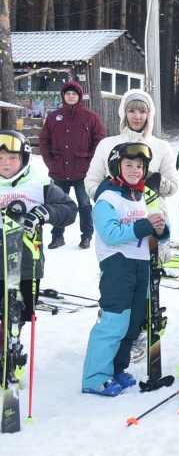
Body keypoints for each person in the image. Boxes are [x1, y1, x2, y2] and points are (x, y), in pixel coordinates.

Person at [81, 143, 169, 396]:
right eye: (129, 165)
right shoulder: (106, 198)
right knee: (114, 322)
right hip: (117, 265)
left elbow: (150, 233)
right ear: (116, 167)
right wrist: (144, 226)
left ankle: (117, 369)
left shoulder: (139, 196)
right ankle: (95, 376)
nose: (135, 170)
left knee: (132, 324)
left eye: (139, 166)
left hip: (140, 265)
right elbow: (109, 234)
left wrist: (160, 231)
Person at [0, 131, 77, 328]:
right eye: (0, 158)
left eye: (12, 158)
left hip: (27, 268)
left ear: (24, 159)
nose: (5, 163)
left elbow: (69, 209)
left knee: (19, 317)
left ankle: (10, 343)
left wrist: (44, 212)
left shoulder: (39, 183)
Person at [85, 88, 179, 207]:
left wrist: (154, 179)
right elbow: (91, 181)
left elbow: (173, 187)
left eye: (142, 111)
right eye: (131, 111)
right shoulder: (106, 145)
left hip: (153, 217)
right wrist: (107, 200)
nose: (137, 116)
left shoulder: (162, 147)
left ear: (149, 115)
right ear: (124, 113)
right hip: (117, 218)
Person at [39, 80, 105, 249]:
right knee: (58, 205)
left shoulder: (91, 117)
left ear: (79, 96)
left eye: (74, 94)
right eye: (68, 94)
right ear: (63, 96)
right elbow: (44, 141)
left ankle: (87, 236)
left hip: (82, 171)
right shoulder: (54, 117)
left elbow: (99, 140)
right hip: (59, 170)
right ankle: (57, 236)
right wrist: (50, 162)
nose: (71, 96)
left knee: (84, 204)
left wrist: (90, 161)